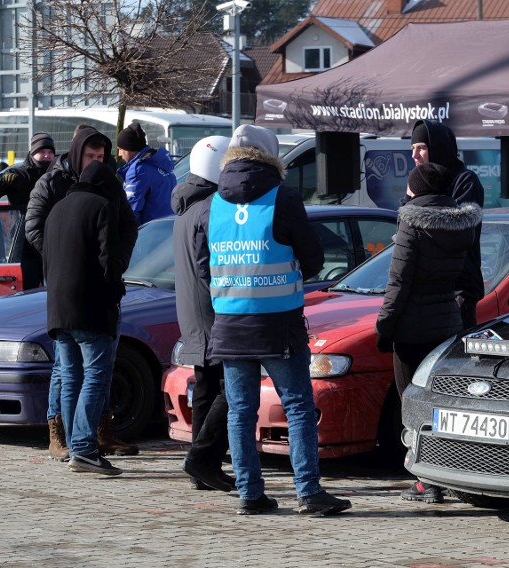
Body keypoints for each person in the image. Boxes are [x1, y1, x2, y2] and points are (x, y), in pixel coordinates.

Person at [197, 124, 351, 516]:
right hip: (278, 324)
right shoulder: (283, 197)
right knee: (298, 405)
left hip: (230, 324)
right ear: (270, 157)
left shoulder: (212, 204)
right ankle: (309, 493)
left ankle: (250, 494)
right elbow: (314, 257)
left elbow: (204, 267)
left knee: (240, 410)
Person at [26, 127, 138, 461]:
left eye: (101, 156)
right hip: (82, 294)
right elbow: (34, 228)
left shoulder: (106, 189)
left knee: (79, 370)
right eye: (91, 156)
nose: (96, 161)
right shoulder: (53, 183)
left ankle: (88, 439)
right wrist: (69, 260)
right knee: (81, 371)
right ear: (77, 153)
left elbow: (127, 227)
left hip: (67, 295)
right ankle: (70, 438)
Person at [374, 162, 482, 504]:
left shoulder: (411, 221)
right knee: (440, 407)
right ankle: (446, 475)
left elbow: (399, 282)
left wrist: (384, 326)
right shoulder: (460, 224)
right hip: (446, 324)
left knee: (412, 405)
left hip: (411, 328)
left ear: (416, 189)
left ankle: (425, 482)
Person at [172, 135, 234, 492]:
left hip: (194, 312)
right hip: (212, 311)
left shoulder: (186, 205)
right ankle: (204, 459)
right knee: (230, 388)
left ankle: (201, 463)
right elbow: (211, 266)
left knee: (208, 388)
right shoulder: (210, 207)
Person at [410, 120, 485, 329]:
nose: (415, 156)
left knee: (453, 356)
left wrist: (413, 203)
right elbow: (406, 231)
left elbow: (453, 229)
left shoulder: (465, 180)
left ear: (438, 148)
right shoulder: (421, 182)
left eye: (422, 148)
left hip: (458, 287)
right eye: (413, 148)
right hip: (429, 289)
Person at [0, 132, 56, 289]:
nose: (47, 156)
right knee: (29, 291)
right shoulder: (20, 173)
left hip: (52, 240)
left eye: (50, 152)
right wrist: (2, 181)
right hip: (24, 243)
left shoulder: (58, 173)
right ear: (33, 153)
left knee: (54, 290)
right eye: (42, 152)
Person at [116, 121, 176, 224]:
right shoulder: (160, 163)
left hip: (150, 233)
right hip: (169, 229)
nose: (119, 154)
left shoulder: (138, 171)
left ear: (129, 149)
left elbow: (130, 210)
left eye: (120, 149)